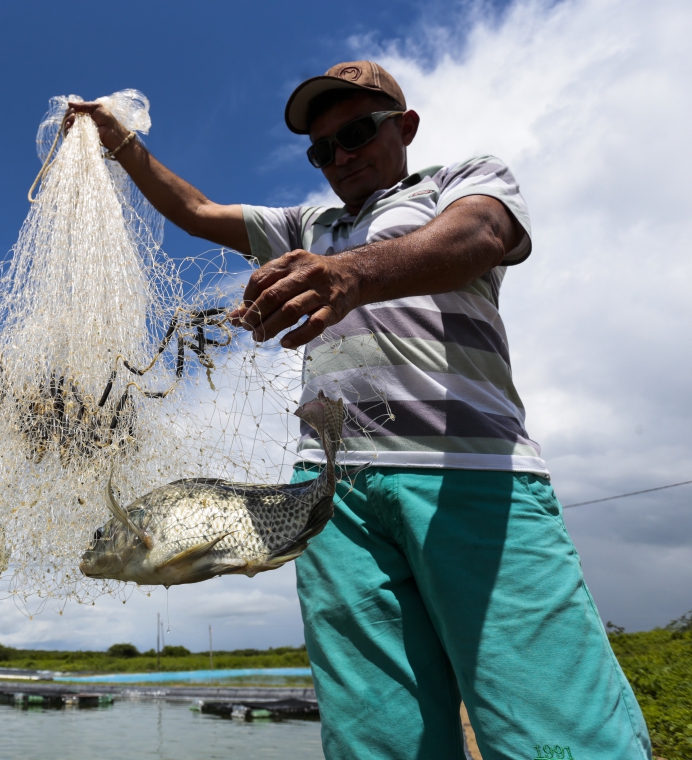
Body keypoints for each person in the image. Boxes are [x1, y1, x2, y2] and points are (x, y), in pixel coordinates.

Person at [67, 61, 651, 760]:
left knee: (554, 728)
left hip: (474, 473)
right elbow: (195, 211)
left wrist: (350, 274)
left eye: (357, 133)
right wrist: (119, 140)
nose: (340, 157)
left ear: (405, 127)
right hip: (330, 499)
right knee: (377, 737)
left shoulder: (461, 181)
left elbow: (481, 238)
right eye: (322, 150)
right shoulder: (306, 225)